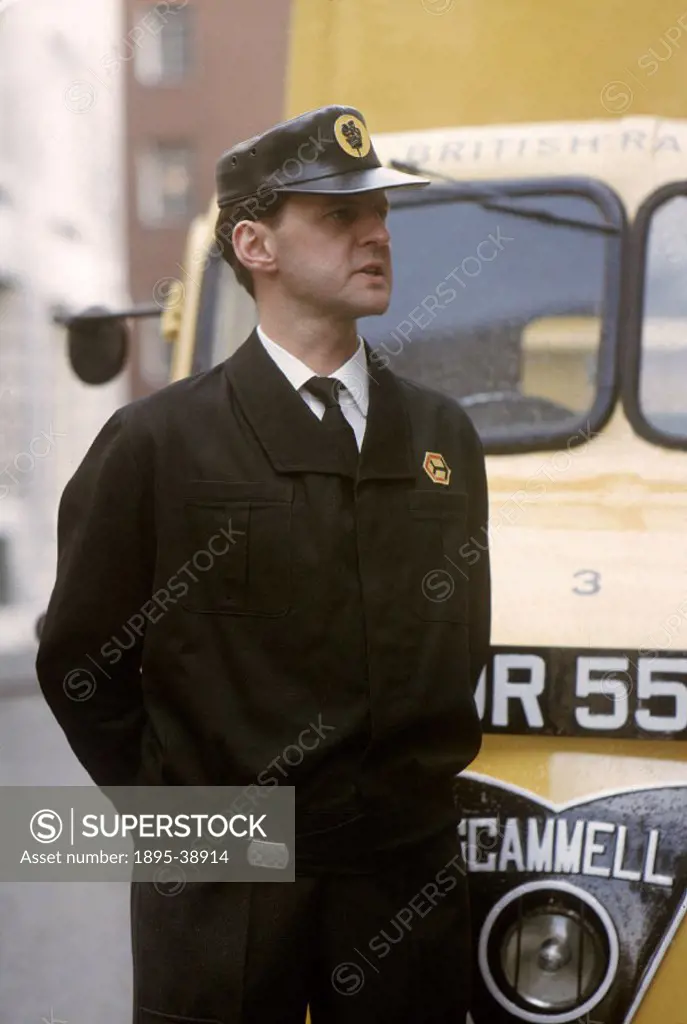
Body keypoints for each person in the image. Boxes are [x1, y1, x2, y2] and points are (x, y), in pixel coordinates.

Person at [36, 104, 491, 1024]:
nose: (376, 234)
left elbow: (455, 644)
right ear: (255, 244)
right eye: (337, 216)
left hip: (401, 871)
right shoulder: (157, 443)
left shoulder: (440, 435)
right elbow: (82, 663)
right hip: (226, 890)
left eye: (381, 214)